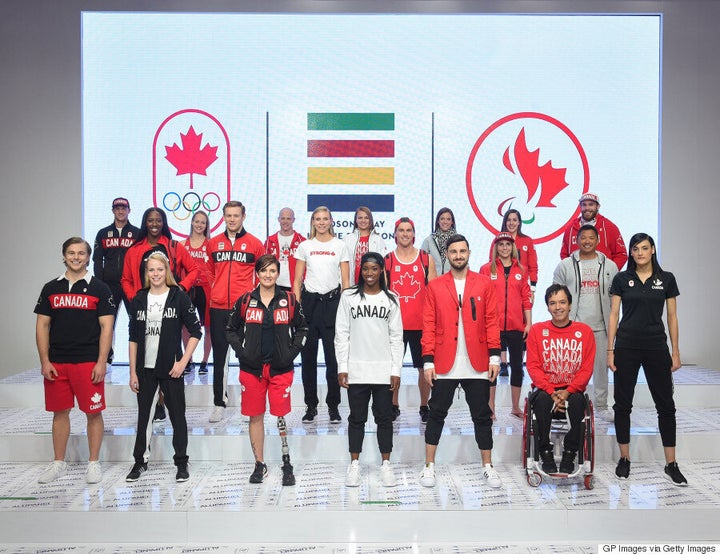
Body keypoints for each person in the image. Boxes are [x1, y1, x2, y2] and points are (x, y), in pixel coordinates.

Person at [418, 234, 503, 489]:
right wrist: (428, 361)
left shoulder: (485, 284)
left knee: (482, 416)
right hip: (444, 362)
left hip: (476, 363)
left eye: (462, 251)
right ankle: (429, 467)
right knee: (436, 415)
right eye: (453, 252)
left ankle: (488, 466)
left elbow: (491, 321)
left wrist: (495, 356)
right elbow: (428, 325)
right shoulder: (434, 286)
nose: (458, 256)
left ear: (469, 253)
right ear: (447, 255)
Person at [607, 233, 687, 486]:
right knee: (622, 405)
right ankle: (624, 458)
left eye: (644, 248)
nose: (640, 253)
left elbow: (672, 317)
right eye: (635, 249)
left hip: (656, 347)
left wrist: (675, 351)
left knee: (666, 406)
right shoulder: (622, 279)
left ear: (652, 250)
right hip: (626, 346)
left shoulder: (667, 279)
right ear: (631, 253)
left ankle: (671, 464)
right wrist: (610, 350)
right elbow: (613, 315)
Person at [34, 237, 114, 484]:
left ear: (88, 257)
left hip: (88, 363)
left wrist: (101, 362)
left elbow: (107, 329)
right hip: (57, 363)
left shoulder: (100, 288)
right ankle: (59, 462)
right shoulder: (51, 288)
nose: (76, 257)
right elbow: (42, 326)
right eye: (71, 253)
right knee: (60, 413)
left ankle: (93, 463)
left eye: (81, 253)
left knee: (93, 412)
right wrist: (45, 360)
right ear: (64, 256)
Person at [226, 254, 308, 486]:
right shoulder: (245, 300)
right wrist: (243, 353)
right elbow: (230, 330)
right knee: (256, 416)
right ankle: (259, 464)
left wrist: (291, 353)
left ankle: (286, 462)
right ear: (257, 273)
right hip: (251, 370)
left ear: (278, 272)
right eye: (263, 271)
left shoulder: (289, 300)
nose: (268, 275)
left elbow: (302, 328)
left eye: (272, 271)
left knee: (280, 415)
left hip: (280, 369)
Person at [126, 252, 202, 483]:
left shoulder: (178, 297)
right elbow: (133, 338)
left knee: (178, 417)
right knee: (144, 418)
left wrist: (183, 361)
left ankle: (181, 462)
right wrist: (132, 372)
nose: (156, 274)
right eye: (151, 270)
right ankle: (140, 462)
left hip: (171, 369)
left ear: (166, 271)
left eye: (160, 269)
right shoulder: (139, 299)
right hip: (145, 370)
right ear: (146, 273)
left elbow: (196, 331)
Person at [121, 207, 198, 422]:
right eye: (150, 220)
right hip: (144, 310)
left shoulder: (174, 247)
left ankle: (163, 403)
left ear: (164, 222)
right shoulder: (134, 250)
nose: (154, 223)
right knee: (146, 358)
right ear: (144, 223)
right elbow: (125, 279)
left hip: (168, 310)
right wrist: (136, 299)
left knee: (166, 357)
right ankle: (152, 404)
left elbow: (194, 270)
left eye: (158, 220)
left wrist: (180, 289)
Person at [336, 252, 404, 487]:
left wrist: (396, 370)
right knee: (357, 418)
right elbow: (341, 334)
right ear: (360, 270)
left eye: (374, 269)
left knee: (384, 419)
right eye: (365, 268)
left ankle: (386, 464)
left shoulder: (392, 299)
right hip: (356, 370)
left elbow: (397, 338)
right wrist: (342, 367)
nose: (369, 273)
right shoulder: (348, 297)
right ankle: (354, 464)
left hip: (384, 371)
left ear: (382, 271)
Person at [525, 284, 595, 475]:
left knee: (578, 402)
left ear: (570, 305)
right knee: (540, 401)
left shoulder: (585, 332)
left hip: (573, 390)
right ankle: (545, 451)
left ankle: (570, 452)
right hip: (546, 389)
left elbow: (586, 369)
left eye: (562, 302)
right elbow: (533, 366)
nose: (558, 307)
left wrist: (568, 391)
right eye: (553, 303)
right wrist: (551, 392)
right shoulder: (537, 331)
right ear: (547, 307)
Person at [206, 201, 265, 423]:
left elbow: (263, 274)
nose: (232, 219)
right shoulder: (213, 244)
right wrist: (217, 292)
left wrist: (251, 299)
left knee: (246, 354)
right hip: (219, 307)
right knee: (220, 356)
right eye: (228, 215)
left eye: (236, 215)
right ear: (223, 217)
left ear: (244, 216)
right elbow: (211, 273)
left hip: (244, 307)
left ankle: (247, 402)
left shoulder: (254, 244)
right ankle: (219, 402)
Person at [293, 206, 350, 423]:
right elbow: (298, 280)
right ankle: (310, 405)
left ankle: (333, 406)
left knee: (333, 360)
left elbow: (346, 282)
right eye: (318, 219)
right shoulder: (305, 246)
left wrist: (344, 311)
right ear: (313, 222)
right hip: (309, 305)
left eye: (325, 219)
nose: (322, 222)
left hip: (333, 304)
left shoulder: (340, 246)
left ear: (331, 221)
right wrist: (297, 309)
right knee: (308, 359)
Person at [553, 224, 618, 414]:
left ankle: (601, 407)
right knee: (567, 370)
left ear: (597, 241)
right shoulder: (565, 265)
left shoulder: (610, 266)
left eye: (591, 238)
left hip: (601, 328)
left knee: (600, 371)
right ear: (577, 240)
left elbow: (616, 299)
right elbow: (555, 294)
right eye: (583, 238)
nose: (587, 241)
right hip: (573, 328)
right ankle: (567, 406)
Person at [384, 217, 437, 422]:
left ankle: (424, 406)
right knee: (394, 366)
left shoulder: (425, 259)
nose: (405, 234)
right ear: (395, 233)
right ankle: (393, 405)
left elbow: (433, 293)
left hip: (421, 324)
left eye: (408, 230)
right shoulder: (387, 259)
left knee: (424, 369)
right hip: (396, 325)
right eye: (401, 230)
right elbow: (384, 296)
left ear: (414, 234)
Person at [479, 232, 532, 418]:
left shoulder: (522, 270)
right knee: (492, 366)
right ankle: (491, 407)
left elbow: (526, 298)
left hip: (517, 326)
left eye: (507, 244)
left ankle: (515, 407)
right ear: (496, 247)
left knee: (517, 366)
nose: (504, 248)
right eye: (500, 244)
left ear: (513, 247)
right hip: (493, 326)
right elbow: (481, 298)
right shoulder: (486, 269)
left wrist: (529, 323)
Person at [92, 196, 140, 319]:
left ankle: (134, 339)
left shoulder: (138, 233)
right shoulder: (102, 233)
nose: (120, 211)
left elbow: (141, 260)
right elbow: (97, 260)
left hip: (131, 284)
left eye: (123, 208)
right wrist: (100, 283)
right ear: (113, 211)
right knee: (107, 320)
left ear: (129, 210)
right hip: (109, 285)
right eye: (117, 208)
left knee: (136, 320)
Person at [559, 192, 627, 270]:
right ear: (580, 207)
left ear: (598, 206)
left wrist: (609, 273)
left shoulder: (609, 227)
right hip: (577, 280)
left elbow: (621, 254)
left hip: (603, 280)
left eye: (591, 204)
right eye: (584, 205)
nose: (587, 208)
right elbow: (564, 254)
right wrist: (571, 273)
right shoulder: (570, 229)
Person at [181, 210, 213, 374]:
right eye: (197, 221)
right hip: (187, 288)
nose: (200, 225)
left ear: (206, 226)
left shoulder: (211, 244)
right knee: (186, 326)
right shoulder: (181, 244)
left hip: (206, 288)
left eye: (203, 222)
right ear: (192, 222)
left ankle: (204, 361)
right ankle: (188, 360)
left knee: (208, 327)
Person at [264, 207, 306, 291]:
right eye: (283, 218)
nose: (285, 221)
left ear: (293, 220)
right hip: (274, 286)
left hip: (295, 287)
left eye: (288, 218)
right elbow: (263, 265)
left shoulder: (302, 241)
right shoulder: (269, 241)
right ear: (278, 219)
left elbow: (308, 266)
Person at [343, 206, 387, 285]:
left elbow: (383, 265)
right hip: (352, 284)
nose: (363, 220)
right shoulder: (347, 239)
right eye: (360, 218)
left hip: (372, 284)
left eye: (366, 218)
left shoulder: (378, 239)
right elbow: (342, 265)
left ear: (370, 220)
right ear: (356, 220)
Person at [421, 207, 457, 275]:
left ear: (452, 222)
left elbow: (464, 263)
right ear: (438, 221)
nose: (445, 222)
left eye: (448, 219)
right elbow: (422, 263)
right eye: (442, 219)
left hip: (453, 281)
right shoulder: (429, 240)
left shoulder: (458, 241)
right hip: (434, 281)